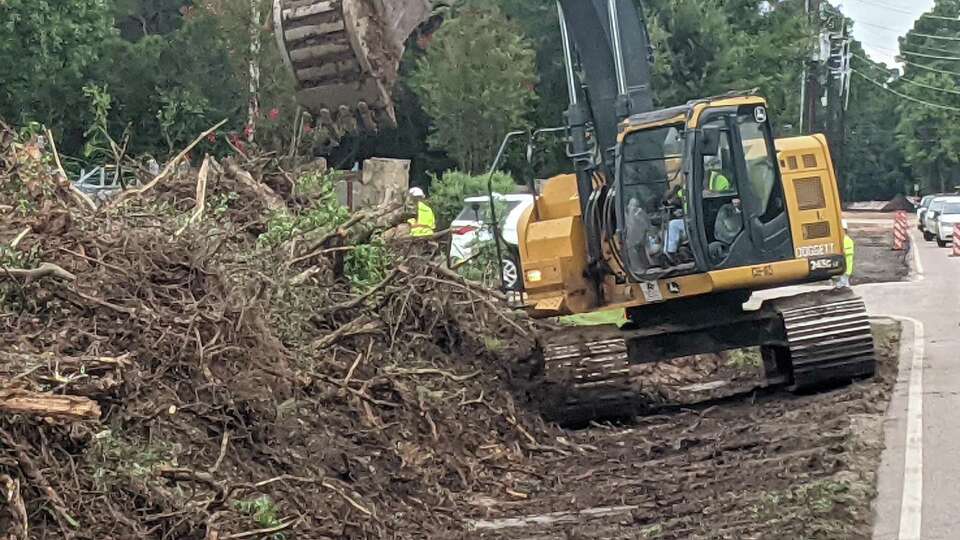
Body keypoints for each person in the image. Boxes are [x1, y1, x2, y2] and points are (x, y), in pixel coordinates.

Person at [835, 219, 855, 288]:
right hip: (845, 270)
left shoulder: (844, 240)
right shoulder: (848, 240)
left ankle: (844, 289)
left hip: (843, 269)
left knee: (842, 284)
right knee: (844, 282)